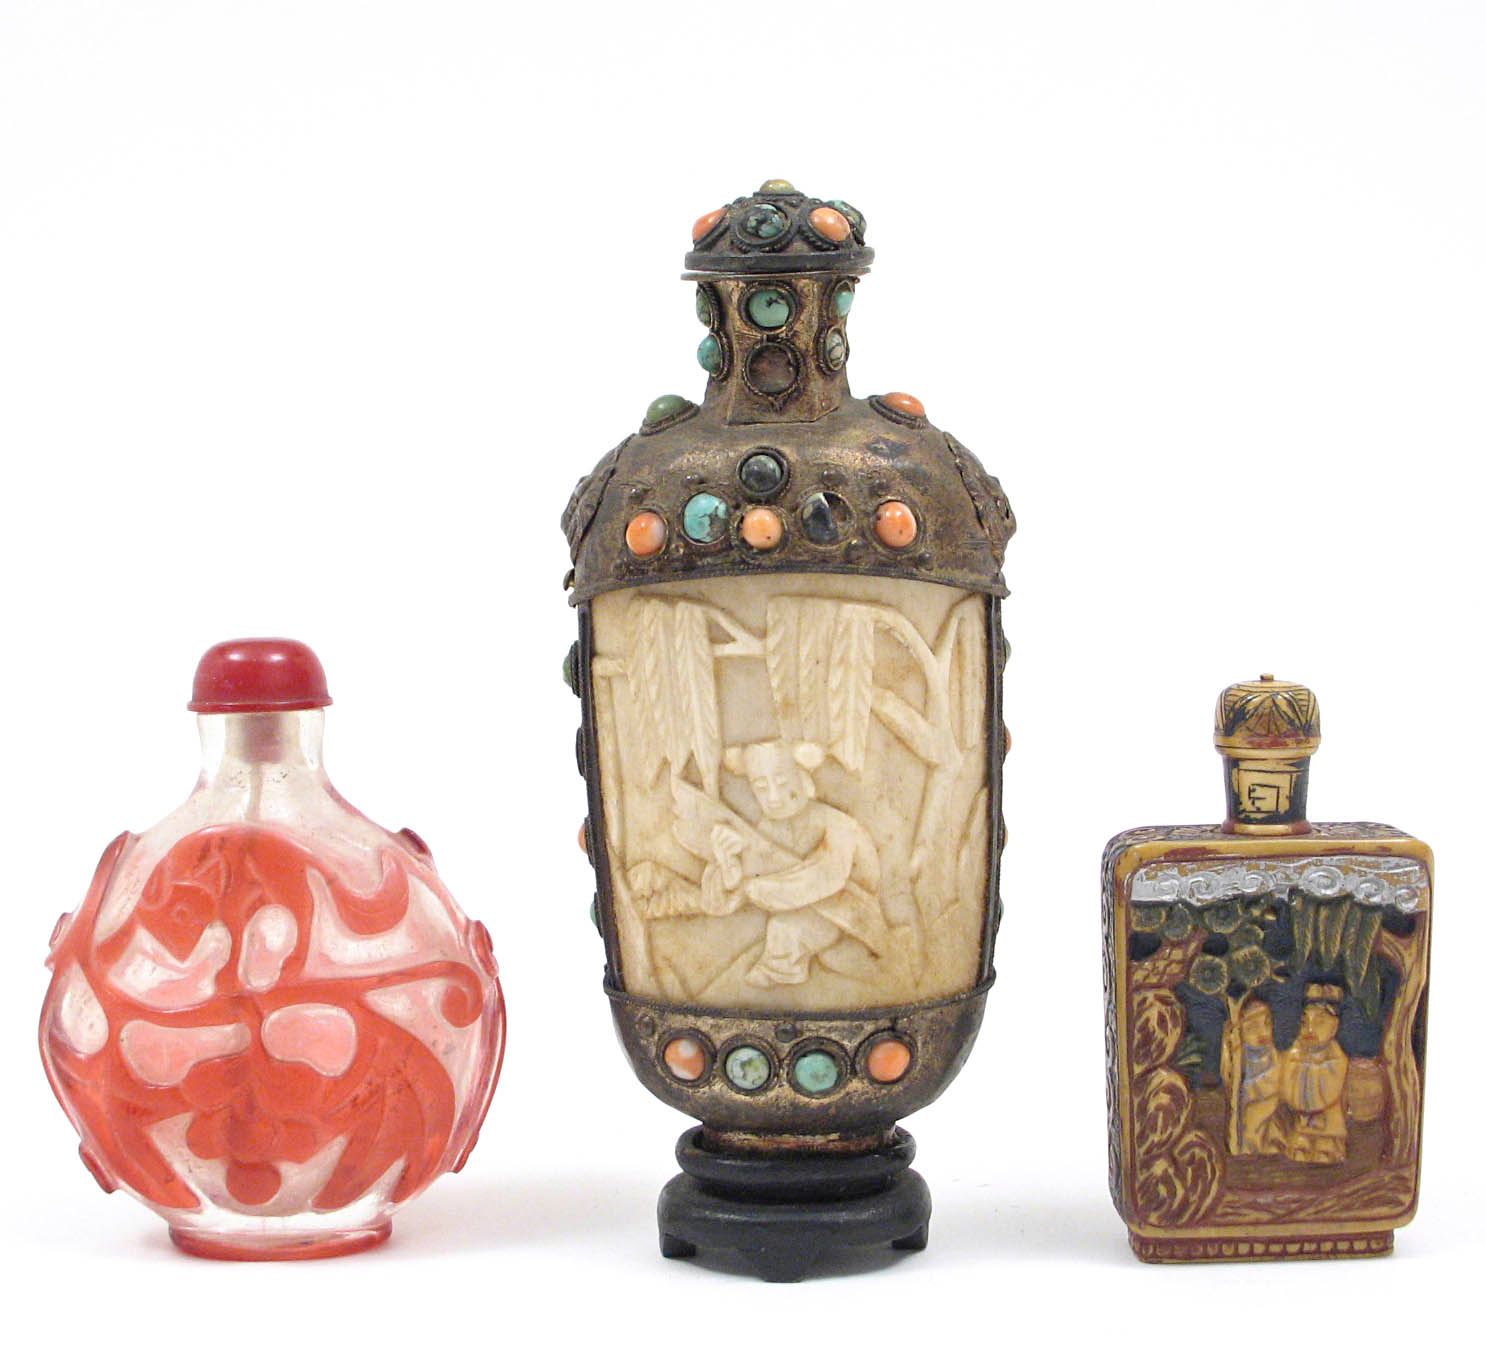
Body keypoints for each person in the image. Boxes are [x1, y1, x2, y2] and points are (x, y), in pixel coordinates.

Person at [708, 740, 887, 988]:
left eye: (782, 783)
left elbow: (824, 878)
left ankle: (781, 974)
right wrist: (729, 868)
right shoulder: (767, 827)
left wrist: (757, 888)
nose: (773, 797)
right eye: (761, 787)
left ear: (804, 779)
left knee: (784, 929)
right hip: (801, 912)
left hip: (848, 915)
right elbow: (732, 892)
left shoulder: (837, 824)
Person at [1280, 985, 1349, 1164]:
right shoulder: (1297, 1050)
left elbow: (1334, 1079)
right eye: (1305, 1023)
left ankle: (1328, 1147)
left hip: (1327, 1115)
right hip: (1302, 1117)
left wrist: (1316, 1070)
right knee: (1301, 1138)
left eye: (1319, 1022)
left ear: (1334, 1027)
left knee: (1326, 1140)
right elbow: (1288, 1073)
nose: (1310, 1029)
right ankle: (1302, 1144)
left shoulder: (1335, 1056)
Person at [1223, 998, 1284, 1156]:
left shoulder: (1272, 1054)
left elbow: (1277, 1076)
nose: (1262, 1032)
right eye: (1253, 1027)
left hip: (1269, 1103)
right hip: (1249, 1106)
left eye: (1267, 1024)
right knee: (1251, 1123)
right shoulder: (1240, 1056)